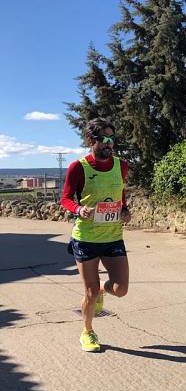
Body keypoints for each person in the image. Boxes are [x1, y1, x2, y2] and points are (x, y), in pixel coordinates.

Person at [61, 117, 131, 352]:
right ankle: (88, 332)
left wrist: (125, 210)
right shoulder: (78, 167)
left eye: (112, 139)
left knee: (121, 289)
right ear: (91, 140)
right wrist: (80, 209)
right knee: (89, 293)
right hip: (86, 237)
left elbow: (121, 193)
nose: (108, 144)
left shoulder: (121, 165)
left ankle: (103, 287)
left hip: (113, 236)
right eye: (103, 139)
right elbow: (66, 199)